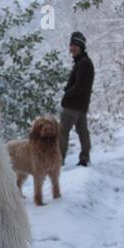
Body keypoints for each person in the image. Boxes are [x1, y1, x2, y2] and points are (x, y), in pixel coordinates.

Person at [59, 31, 95, 167]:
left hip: (73, 106)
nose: (72, 48)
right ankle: (84, 158)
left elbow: (79, 86)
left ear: (81, 47)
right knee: (82, 131)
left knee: (62, 131)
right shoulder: (83, 62)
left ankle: (59, 159)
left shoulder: (83, 64)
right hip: (81, 106)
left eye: (75, 45)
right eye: (71, 45)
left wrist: (66, 93)